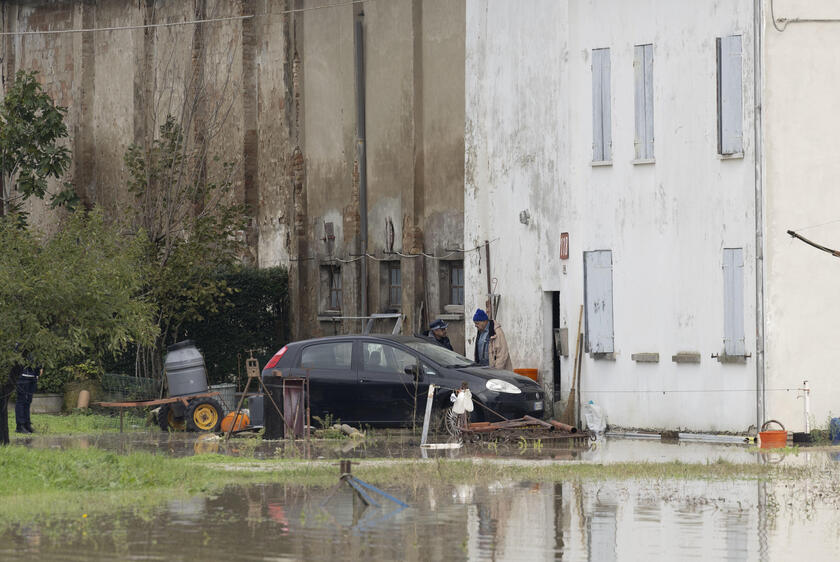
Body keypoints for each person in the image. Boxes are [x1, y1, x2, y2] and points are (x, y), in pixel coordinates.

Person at [15, 358, 41, 434]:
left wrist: (40, 367)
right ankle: (20, 426)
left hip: (34, 376)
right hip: (23, 375)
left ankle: (27, 425)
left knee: (28, 401)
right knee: (21, 401)